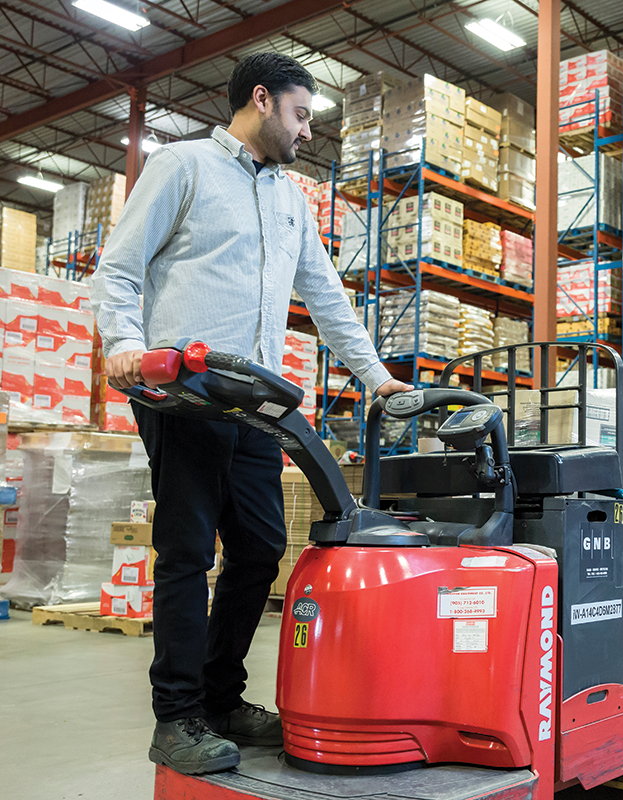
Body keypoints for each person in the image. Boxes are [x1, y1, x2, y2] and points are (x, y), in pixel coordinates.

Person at [91, 52, 412, 776]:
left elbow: (327, 295)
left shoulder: (290, 199)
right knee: (186, 552)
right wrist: (124, 343)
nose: (307, 132)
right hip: (185, 393)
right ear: (261, 100)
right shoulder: (184, 167)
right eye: (301, 115)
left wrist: (376, 377)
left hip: (257, 405)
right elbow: (121, 265)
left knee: (262, 549)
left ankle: (220, 697)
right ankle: (176, 717)